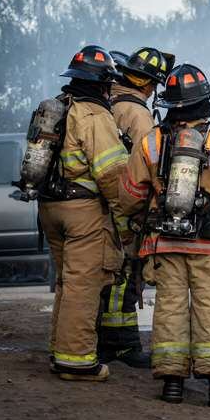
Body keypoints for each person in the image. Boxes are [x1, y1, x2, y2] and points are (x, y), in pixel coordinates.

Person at [118, 64, 210, 406]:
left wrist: (144, 217)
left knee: (169, 309)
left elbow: (130, 197)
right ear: (204, 102)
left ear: (170, 105)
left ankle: (172, 384)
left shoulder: (151, 142)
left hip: (164, 244)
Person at [39, 45, 130, 381]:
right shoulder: (94, 115)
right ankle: (75, 361)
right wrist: (125, 220)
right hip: (82, 212)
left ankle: (60, 351)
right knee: (83, 284)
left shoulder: (60, 106)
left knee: (67, 281)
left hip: (50, 208)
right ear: (103, 83)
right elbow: (111, 175)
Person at [96, 47, 173, 369]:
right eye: (154, 84)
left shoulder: (106, 103)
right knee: (125, 272)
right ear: (147, 83)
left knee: (107, 271)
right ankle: (121, 344)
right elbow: (150, 162)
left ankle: (106, 338)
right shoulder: (137, 113)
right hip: (126, 204)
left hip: (99, 203)